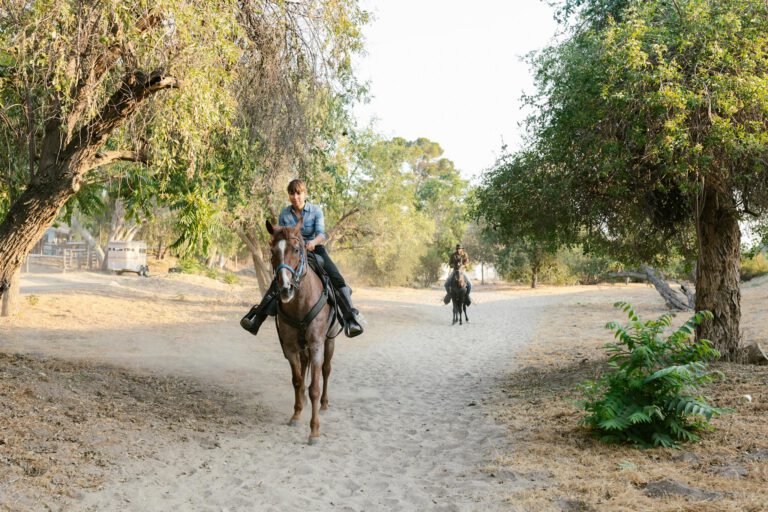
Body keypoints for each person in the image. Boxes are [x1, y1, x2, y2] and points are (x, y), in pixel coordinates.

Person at [240, 179, 364, 337]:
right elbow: (282, 233)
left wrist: (312, 242)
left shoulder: (316, 211)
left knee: (337, 278)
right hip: (293, 251)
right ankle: (257, 319)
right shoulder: (285, 213)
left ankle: (350, 320)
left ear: (305, 194)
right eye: (292, 193)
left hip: (314, 249)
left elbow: (321, 233)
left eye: (298, 193)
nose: (295, 196)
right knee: (278, 281)